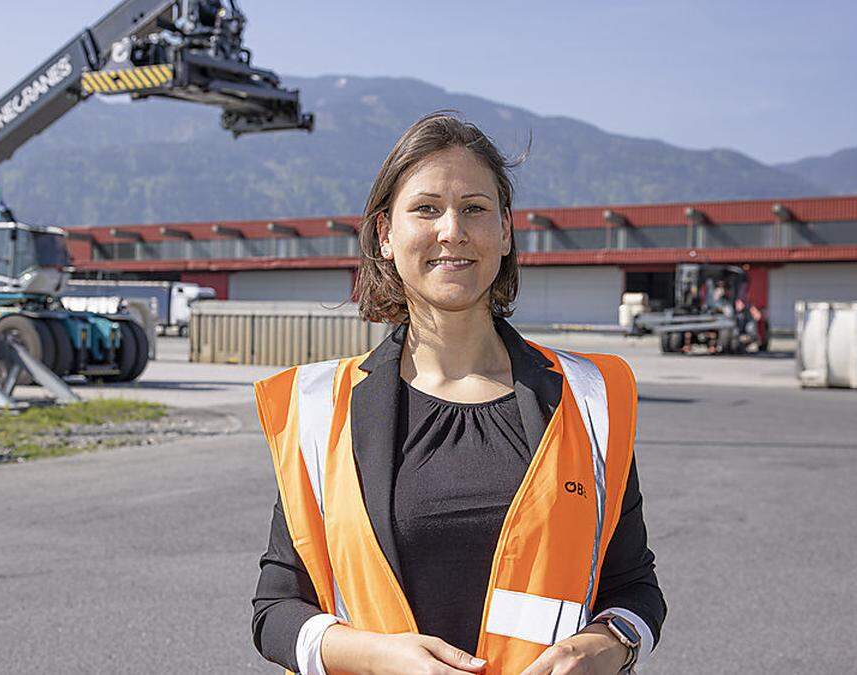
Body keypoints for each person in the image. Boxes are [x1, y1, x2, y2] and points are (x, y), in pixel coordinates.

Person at [252, 112, 665, 674]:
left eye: (474, 208)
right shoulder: (323, 408)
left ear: (506, 231)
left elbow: (634, 588)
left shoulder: (591, 398)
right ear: (386, 235)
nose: (453, 230)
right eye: (426, 209)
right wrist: (375, 658)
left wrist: (606, 645)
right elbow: (275, 609)